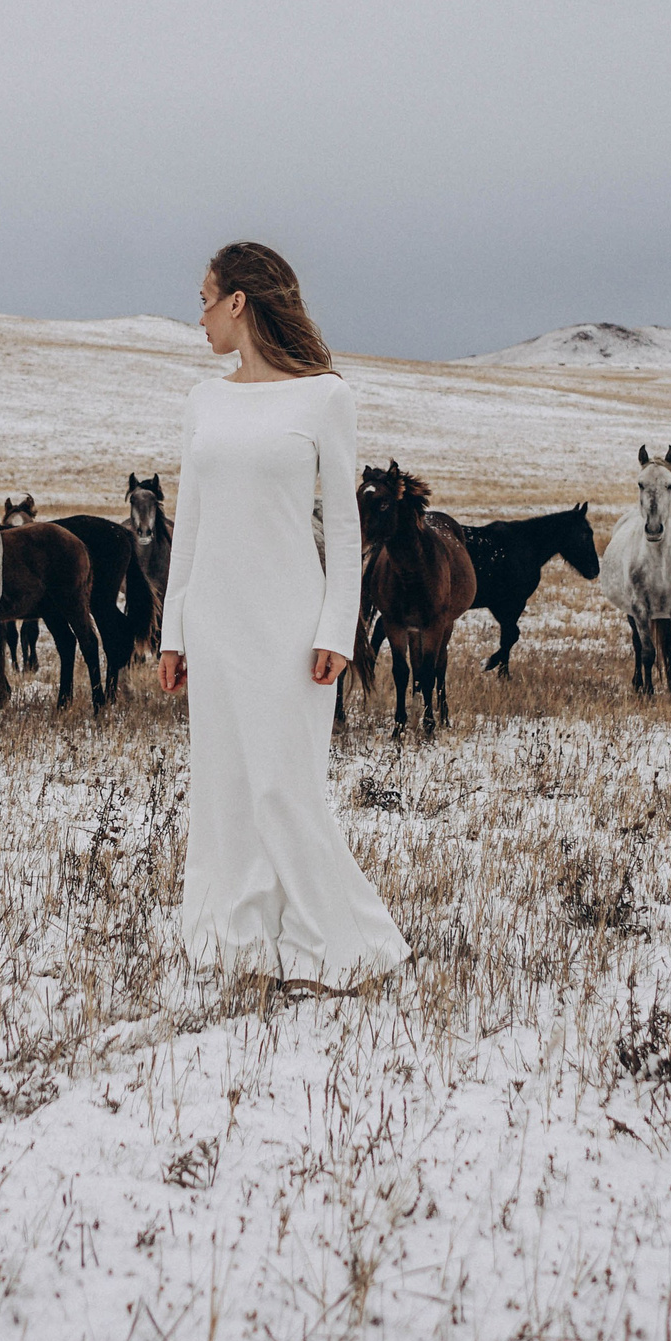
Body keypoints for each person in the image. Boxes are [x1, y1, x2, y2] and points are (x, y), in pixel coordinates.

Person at [157, 242, 409, 989]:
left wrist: (339, 628)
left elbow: (343, 528)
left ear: (240, 301)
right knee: (224, 785)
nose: (198, 316)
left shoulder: (326, 397)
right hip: (213, 617)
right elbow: (190, 523)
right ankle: (228, 939)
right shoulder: (204, 401)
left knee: (283, 784)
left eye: (206, 300)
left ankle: (341, 943)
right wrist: (173, 630)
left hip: (292, 625)